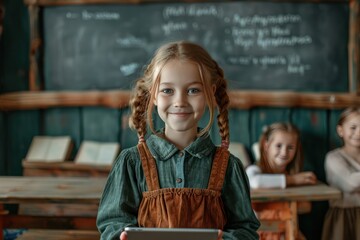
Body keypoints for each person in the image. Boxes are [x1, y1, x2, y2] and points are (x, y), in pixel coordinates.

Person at [96, 41, 260, 240]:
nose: (180, 102)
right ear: (153, 95)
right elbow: (112, 223)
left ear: (210, 93)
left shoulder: (229, 166)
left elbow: (246, 230)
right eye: (167, 90)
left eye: (193, 90)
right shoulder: (131, 162)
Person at [246, 122, 317, 240]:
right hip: (261, 234)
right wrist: (293, 180)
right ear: (266, 145)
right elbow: (256, 182)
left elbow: (306, 207)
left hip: (288, 233)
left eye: (290, 147)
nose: (284, 152)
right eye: (278, 146)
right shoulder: (255, 170)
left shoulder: (291, 177)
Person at [322, 106, 360, 240]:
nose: (358, 132)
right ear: (340, 130)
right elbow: (351, 183)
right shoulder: (333, 158)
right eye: (353, 127)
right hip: (344, 217)